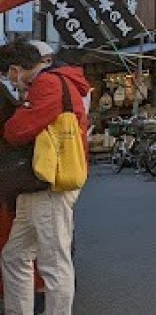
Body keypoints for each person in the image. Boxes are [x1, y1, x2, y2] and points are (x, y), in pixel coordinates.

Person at [1, 40, 90, 315]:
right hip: (39, 184)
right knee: (14, 256)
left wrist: (21, 112)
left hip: (50, 183)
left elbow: (16, 131)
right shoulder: (60, 80)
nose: (11, 82)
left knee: (54, 263)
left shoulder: (48, 84)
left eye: (9, 75)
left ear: (16, 69)